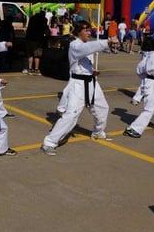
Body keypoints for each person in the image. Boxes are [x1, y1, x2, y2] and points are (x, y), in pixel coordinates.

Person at [42, 21, 112, 155]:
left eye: (89, 30)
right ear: (78, 31)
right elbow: (83, 51)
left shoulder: (86, 45)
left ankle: (98, 132)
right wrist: (105, 42)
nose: (89, 32)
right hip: (78, 85)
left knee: (102, 108)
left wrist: (92, 71)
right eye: (86, 30)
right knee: (71, 115)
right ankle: (49, 142)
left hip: (91, 83)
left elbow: (84, 62)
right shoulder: (75, 45)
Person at [24, 10, 49, 75]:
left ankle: (29, 69)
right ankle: (36, 70)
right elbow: (46, 30)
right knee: (37, 55)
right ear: (43, 15)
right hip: (38, 40)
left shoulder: (32, 18)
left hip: (29, 38)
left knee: (30, 54)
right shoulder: (43, 19)